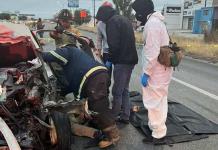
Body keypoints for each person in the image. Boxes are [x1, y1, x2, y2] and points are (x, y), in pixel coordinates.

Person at [40, 46, 119, 148]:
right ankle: (100, 126)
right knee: (97, 106)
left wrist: (39, 54)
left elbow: (49, 55)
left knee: (99, 109)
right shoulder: (75, 58)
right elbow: (71, 86)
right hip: (100, 74)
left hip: (93, 78)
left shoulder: (66, 51)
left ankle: (113, 137)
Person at [132, 0, 173, 141]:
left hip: (156, 72)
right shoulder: (156, 22)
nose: (137, 15)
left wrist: (147, 73)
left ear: (143, 11)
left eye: (137, 12)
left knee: (154, 102)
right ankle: (156, 126)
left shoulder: (152, 25)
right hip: (161, 69)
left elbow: (152, 53)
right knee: (160, 100)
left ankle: (158, 133)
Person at [96, 6, 138, 124]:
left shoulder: (112, 23)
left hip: (121, 61)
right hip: (131, 60)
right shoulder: (124, 19)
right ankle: (125, 115)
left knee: (117, 91)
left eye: (101, 19)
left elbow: (113, 45)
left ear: (104, 15)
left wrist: (109, 59)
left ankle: (113, 116)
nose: (102, 21)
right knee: (125, 89)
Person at [96, 1, 113, 91]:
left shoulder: (115, 21)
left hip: (117, 51)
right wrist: (99, 52)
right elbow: (99, 38)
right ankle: (106, 90)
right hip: (107, 51)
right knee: (107, 72)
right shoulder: (100, 24)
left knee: (118, 73)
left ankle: (118, 91)